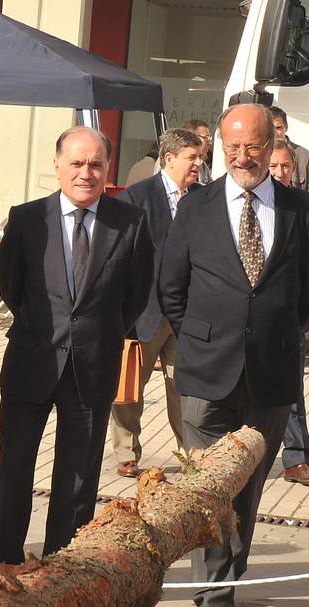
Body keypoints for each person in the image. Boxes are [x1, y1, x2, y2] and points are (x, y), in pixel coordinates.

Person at [159, 103, 309, 607]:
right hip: (206, 374)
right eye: (234, 148)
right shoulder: (197, 207)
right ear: (219, 150)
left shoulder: (300, 208)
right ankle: (213, 598)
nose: (244, 157)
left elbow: (307, 291)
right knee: (210, 487)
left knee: (246, 490)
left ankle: (229, 572)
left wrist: (279, 336)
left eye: (254, 147)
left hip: (271, 375)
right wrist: (203, 339)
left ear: (274, 145)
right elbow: (172, 288)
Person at [0, 126, 152, 565]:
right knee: (14, 469)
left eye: (96, 164)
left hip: (93, 366)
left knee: (78, 479)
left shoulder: (130, 223)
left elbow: (136, 294)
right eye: (77, 163)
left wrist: (99, 332)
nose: (86, 173)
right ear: (57, 165)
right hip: (32, 360)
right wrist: (44, 326)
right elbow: (12, 285)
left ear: (107, 169)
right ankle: (5, 564)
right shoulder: (26, 219)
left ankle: (61, 569)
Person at [109, 127, 202, 478]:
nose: (199, 163)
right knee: (131, 387)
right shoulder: (137, 197)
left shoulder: (204, 198)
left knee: (186, 388)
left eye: (200, 157)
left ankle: (191, 452)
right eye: (191, 157)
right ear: (169, 159)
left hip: (188, 314)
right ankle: (126, 452)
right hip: (144, 311)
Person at [267, 139, 309, 488]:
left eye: (285, 167)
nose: (279, 173)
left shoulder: (304, 207)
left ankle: (296, 458)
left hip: (289, 318)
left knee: (292, 390)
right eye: (273, 166)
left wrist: (303, 309)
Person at [268, 106, 309, 195]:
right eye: (270, 128)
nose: (274, 133)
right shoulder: (258, 155)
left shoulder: (304, 156)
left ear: (286, 127)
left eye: (278, 127)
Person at [187, 118, 213, 185]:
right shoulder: (172, 160)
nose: (210, 143)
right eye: (206, 138)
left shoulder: (203, 166)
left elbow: (211, 189)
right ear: (192, 138)